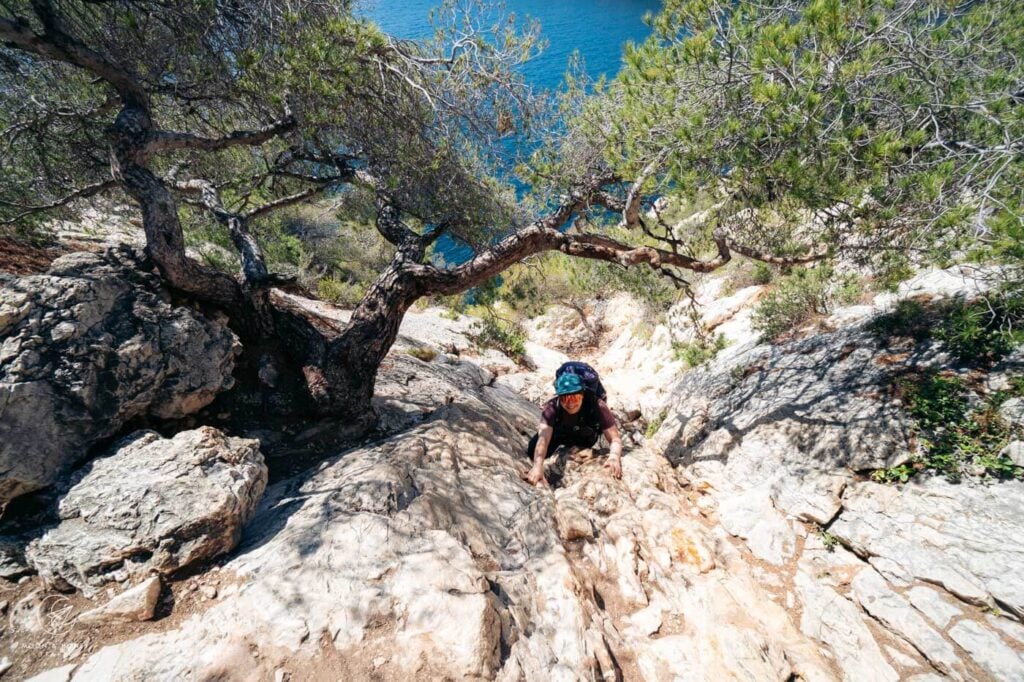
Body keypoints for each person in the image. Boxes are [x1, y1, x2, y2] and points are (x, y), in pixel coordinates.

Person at [522, 372, 623, 487]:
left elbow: (615, 439)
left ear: (582, 394)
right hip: (561, 434)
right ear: (558, 397)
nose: (570, 403)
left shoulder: (596, 405)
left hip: (584, 436)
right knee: (532, 449)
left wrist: (614, 457)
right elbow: (543, 439)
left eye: (575, 397)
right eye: (565, 398)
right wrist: (537, 467)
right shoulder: (552, 407)